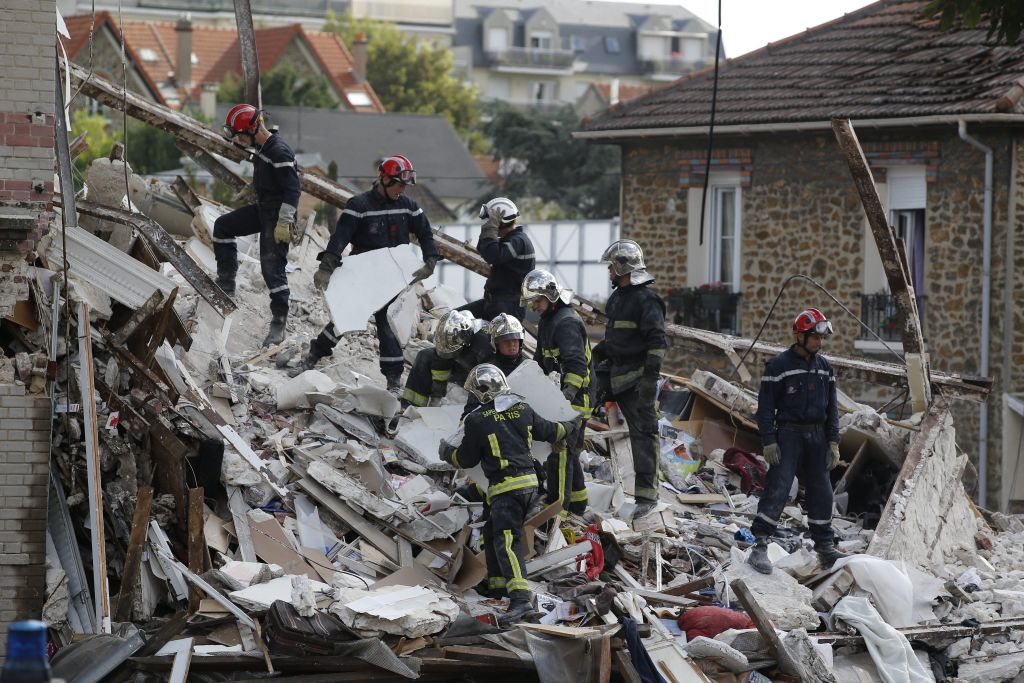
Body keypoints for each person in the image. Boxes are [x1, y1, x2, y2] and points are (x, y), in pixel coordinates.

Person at [439, 364, 579, 626]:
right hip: (529, 486)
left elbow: (465, 458)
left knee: (507, 541)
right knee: (493, 534)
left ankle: (520, 600)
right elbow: (552, 431)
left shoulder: (477, 420)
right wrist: (572, 425)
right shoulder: (521, 408)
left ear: (481, 393)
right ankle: (498, 588)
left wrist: (446, 452)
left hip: (506, 490)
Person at [289, 155, 439, 392]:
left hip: (391, 279)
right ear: (386, 179)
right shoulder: (359, 206)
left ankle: (393, 382)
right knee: (344, 317)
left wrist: (431, 259)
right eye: (399, 184)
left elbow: (426, 233)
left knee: (386, 326)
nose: (402, 189)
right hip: (363, 275)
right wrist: (326, 266)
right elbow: (340, 237)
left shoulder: (408, 206)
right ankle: (311, 358)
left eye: (404, 186)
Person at [748, 308, 846, 575]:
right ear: (799, 336)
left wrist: (833, 442)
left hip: (817, 436)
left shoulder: (825, 368)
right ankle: (759, 545)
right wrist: (769, 441)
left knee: (822, 491)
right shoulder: (778, 366)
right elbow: (765, 408)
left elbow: (832, 409)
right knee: (778, 488)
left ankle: (824, 546)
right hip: (788, 435)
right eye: (814, 337)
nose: (819, 343)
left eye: (820, 338)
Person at [214, 104, 300, 347]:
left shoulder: (280, 152)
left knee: (272, 270)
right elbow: (269, 177)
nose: (239, 140)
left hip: (278, 214)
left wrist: (284, 222)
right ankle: (226, 283)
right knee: (223, 227)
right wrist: (253, 189)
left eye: (240, 134)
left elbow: (293, 190)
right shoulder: (263, 148)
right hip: (264, 209)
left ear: (253, 128)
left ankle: (278, 324)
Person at [595, 240, 666, 520]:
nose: (609, 271)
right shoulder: (617, 299)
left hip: (638, 381)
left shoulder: (647, 300)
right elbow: (615, 340)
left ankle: (647, 497)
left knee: (644, 436)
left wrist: (650, 380)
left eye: (612, 266)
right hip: (617, 377)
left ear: (623, 267)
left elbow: (657, 343)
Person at [521, 269, 592, 515]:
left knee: (559, 453)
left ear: (551, 296)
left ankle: (557, 511)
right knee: (569, 453)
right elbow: (542, 363)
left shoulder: (566, 323)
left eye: (537, 301)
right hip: (558, 398)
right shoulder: (549, 322)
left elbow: (576, 366)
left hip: (574, 400)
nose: (534, 306)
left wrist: (566, 397)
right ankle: (579, 503)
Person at [459, 198, 535, 320]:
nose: (489, 224)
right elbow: (483, 249)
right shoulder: (510, 239)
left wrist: (490, 230)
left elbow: (492, 255)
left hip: (508, 307)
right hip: (494, 303)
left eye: (491, 222)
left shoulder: (518, 241)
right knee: (454, 317)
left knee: (484, 338)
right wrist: (488, 231)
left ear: (501, 222)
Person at [400, 310, 491, 408]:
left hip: (480, 376)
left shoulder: (483, 346)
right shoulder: (454, 331)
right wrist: (437, 394)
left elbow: (495, 378)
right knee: (425, 356)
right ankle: (410, 407)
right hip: (461, 363)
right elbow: (443, 358)